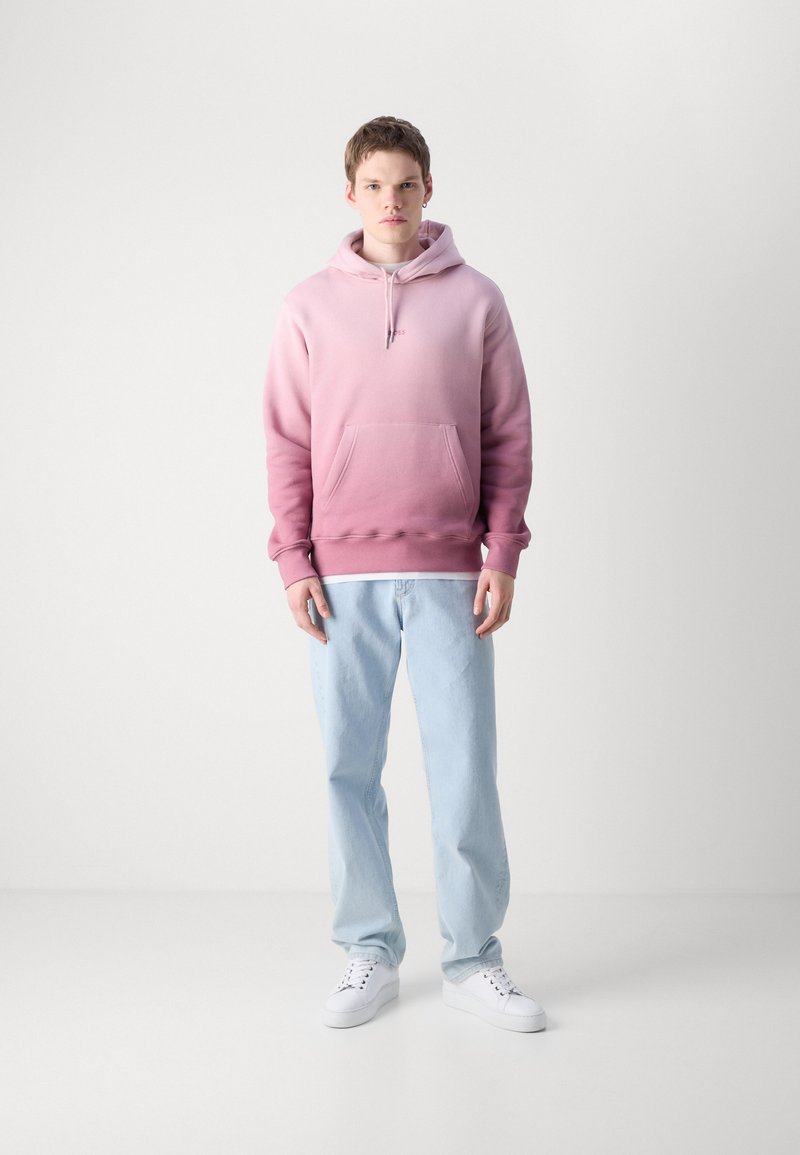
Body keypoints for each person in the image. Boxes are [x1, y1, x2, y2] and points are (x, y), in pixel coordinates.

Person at [262, 115, 546, 1034]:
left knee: (464, 768)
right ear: (351, 194)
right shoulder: (307, 306)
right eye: (376, 185)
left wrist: (502, 550)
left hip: (449, 571)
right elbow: (288, 440)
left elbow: (507, 433)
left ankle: (473, 958)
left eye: (408, 184)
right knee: (347, 769)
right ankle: (369, 950)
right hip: (341, 578)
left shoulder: (478, 301)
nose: (392, 201)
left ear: (430, 190)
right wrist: (293, 557)